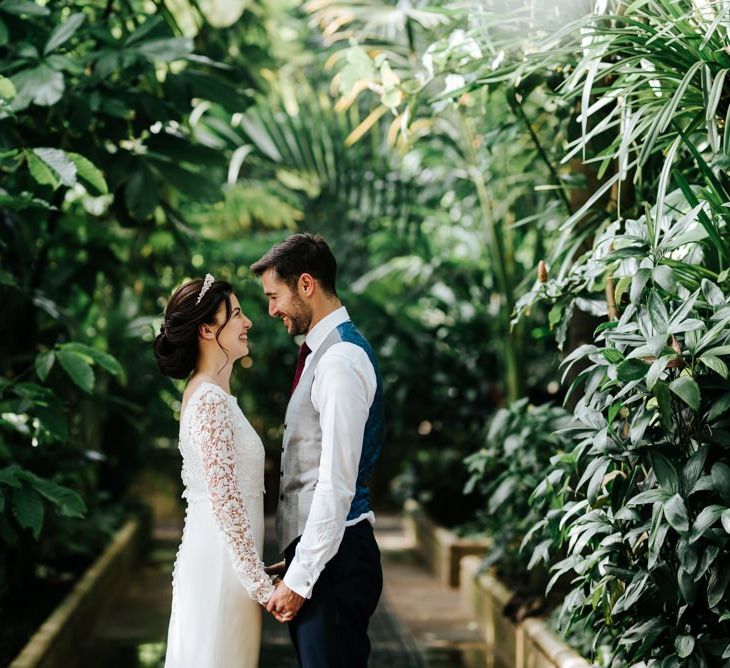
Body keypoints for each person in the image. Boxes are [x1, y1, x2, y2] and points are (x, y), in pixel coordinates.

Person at [251, 233, 384, 668]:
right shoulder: (317, 355)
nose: (271, 310)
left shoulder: (340, 361)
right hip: (324, 557)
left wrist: (302, 579)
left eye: (275, 296)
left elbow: (335, 484)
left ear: (306, 284)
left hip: (337, 564)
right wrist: (292, 559)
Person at [153, 274, 283, 668]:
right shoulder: (209, 399)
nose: (248, 323)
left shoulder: (216, 395)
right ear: (208, 329)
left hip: (230, 567)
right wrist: (262, 587)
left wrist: (257, 573)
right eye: (238, 315)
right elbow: (225, 502)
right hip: (218, 571)